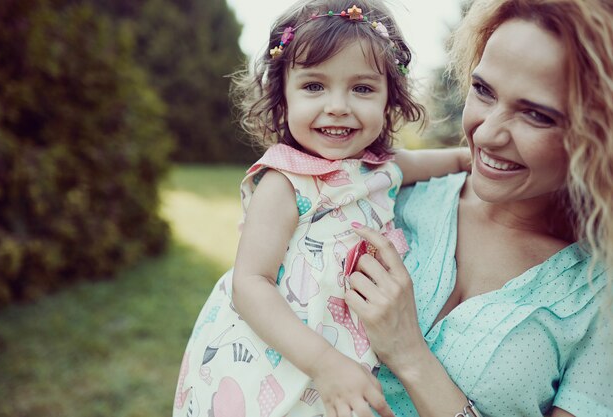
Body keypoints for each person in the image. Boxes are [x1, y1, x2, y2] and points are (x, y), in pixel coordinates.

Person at [172, 1, 470, 416]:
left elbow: (459, 160)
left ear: (389, 99)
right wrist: (325, 363)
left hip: (343, 365)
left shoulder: (385, 168)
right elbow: (250, 284)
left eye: (362, 88)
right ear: (283, 95)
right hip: (270, 361)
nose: (338, 106)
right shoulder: (284, 181)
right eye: (314, 86)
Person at [345, 0, 613, 416]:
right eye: (484, 91)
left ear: (599, 136)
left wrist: (411, 356)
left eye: (536, 115)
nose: (486, 135)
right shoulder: (396, 195)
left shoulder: (601, 298)